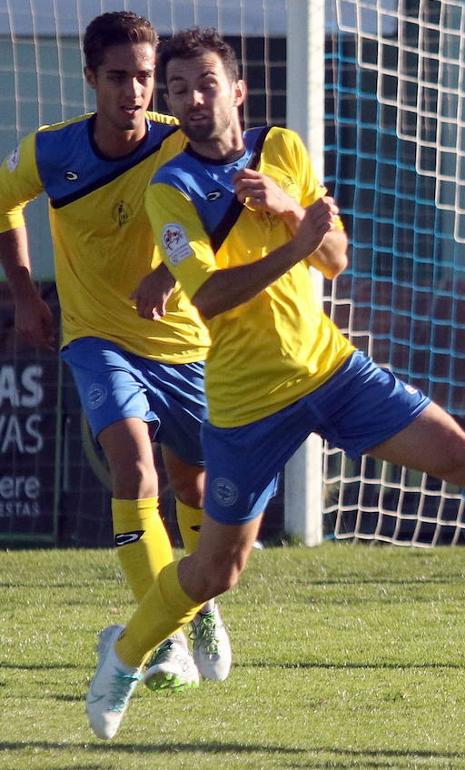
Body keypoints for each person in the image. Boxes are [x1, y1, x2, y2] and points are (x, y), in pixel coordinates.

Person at [83, 27, 465, 740]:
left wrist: (292, 212)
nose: (192, 100)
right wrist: (291, 243)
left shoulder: (283, 148)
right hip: (245, 403)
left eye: (205, 84)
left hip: (332, 368)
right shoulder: (171, 190)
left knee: (464, 458)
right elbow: (210, 298)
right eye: (178, 89)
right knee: (214, 575)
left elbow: (336, 255)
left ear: (238, 90)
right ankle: (125, 654)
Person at [0, 11, 230, 693]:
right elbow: (3, 203)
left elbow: (223, 211)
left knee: (194, 487)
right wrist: (26, 295)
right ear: (91, 79)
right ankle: (162, 639)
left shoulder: (176, 145)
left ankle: (199, 600)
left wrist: (170, 270)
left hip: (185, 344)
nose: (135, 91)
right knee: (135, 472)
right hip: (97, 339)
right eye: (119, 77)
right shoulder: (51, 151)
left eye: (145, 78)